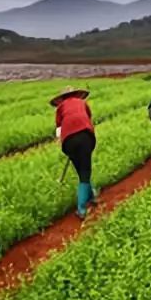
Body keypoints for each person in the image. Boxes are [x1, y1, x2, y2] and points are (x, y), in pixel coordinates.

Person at [51, 86, 97, 220]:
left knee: (82, 171)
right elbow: (88, 117)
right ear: (76, 95)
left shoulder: (60, 108)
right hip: (85, 137)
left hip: (68, 141)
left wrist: (64, 142)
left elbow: (59, 127)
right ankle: (82, 209)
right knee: (85, 173)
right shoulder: (82, 103)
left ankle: (92, 197)